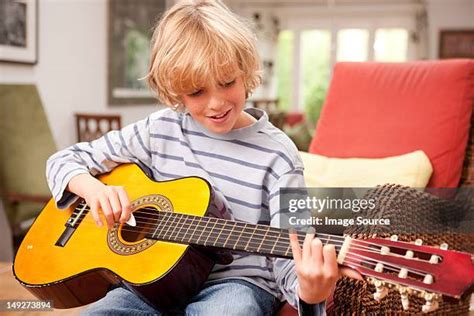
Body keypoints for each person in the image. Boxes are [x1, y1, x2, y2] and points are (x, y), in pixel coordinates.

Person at [46, 0, 356, 314]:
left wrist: (309, 290)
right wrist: (94, 190)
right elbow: (62, 161)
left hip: (238, 284)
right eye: (196, 92)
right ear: (175, 90)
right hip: (150, 281)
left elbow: (292, 255)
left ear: (245, 71)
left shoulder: (279, 155)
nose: (216, 104)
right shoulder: (160, 129)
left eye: (227, 82)